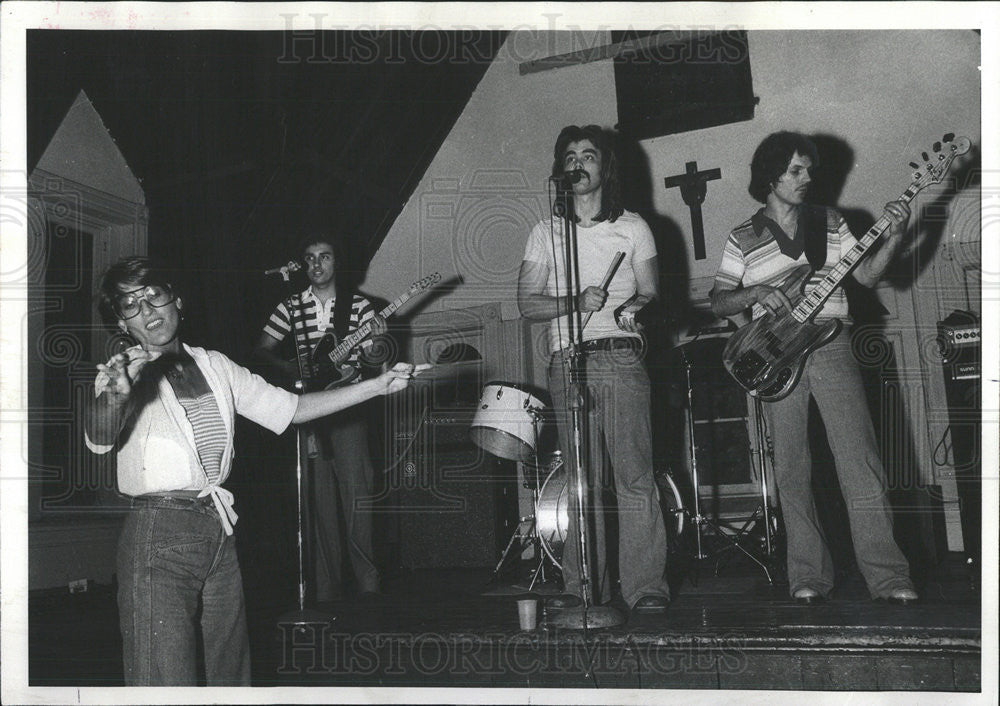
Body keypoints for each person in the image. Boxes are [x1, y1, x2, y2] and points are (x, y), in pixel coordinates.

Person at [84, 256, 421, 685]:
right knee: (163, 680)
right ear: (121, 323)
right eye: (130, 304)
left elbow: (293, 409)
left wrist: (378, 385)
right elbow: (99, 437)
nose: (147, 310)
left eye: (154, 295)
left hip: (218, 530)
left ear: (177, 300)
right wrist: (113, 399)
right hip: (158, 533)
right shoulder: (123, 374)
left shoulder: (214, 365)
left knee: (231, 674)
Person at [710, 131, 919, 605]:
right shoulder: (742, 236)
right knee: (792, 468)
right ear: (770, 175)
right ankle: (807, 576)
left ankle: (888, 577)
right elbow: (720, 300)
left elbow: (865, 276)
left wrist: (896, 236)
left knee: (859, 460)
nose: (806, 178)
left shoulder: (830, 222)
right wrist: (756, 294)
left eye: (809, 170)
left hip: (830, 344)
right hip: (776, 357)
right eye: (795, 170)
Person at [517, 124, 670, 613]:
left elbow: (650, 291)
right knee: (582, 478)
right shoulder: (545, 234)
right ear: (561, 169)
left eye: (588, 155)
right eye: (569, 156)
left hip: (620, 355)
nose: (577, 163)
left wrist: (634, 309)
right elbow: (526, 302)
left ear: (604, 167)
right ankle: (582, 587)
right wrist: (574, 301)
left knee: (634, 476)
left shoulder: (633, 226)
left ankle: (646, 589)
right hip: (569, 360)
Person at [252, 237, 386, 601]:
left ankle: (368, 585)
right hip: (309, 409)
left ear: (336, 262)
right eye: (309, 258)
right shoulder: (291, 306)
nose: (316, 265)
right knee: (319, 502)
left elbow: (375, 364)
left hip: (348, 408)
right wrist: (290, 368)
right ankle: (326, 590)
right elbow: (261, 350)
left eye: (324, 257)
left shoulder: (359, 306)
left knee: (357, 497)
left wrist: (374, 346)